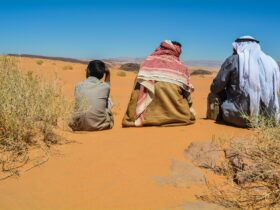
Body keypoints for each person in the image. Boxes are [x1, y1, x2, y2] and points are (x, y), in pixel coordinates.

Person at [208, 35, 280, 127]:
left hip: (241, 117)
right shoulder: (270, 62)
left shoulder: (233, 60)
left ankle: (216, 119)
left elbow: (216, 87)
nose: (234, 49)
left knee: (213, 94)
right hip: (270, 117)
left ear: (239, 46)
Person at [122, 40, 196, 127]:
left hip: (147, 114)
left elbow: (136, 92)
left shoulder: (148, 62)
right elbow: (187, 95)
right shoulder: (182, 67)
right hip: (178, 115)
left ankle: (141, 114)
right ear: (177, 51)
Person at [69, 60, 114, 131]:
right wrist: (108, 73)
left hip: (78, 125)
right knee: (108, 100)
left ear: (88, 71)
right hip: (99, 126)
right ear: (103, 74)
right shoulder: (105, 87)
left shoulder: (78, 85)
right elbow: (108, 85)